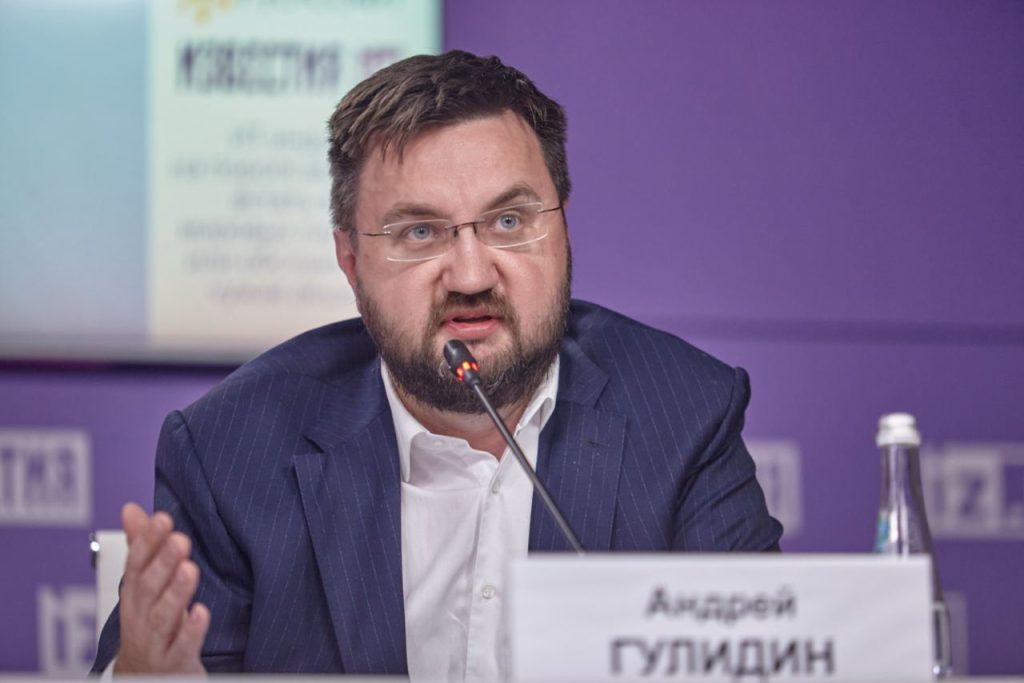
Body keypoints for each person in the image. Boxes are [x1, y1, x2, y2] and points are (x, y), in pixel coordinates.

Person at [92, 50, 782, 680]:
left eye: (509, 222)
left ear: (562, 227)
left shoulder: (684, 416)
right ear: (351, 260)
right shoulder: (231, 451)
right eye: (420, 232)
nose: (471, 275)